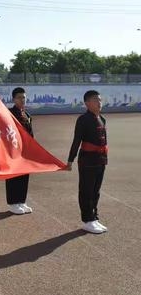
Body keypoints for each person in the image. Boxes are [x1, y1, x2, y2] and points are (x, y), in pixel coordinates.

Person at [66, 90, 108, 234]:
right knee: (86, 191)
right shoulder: (83, 120)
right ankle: (87, 220)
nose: (99, 103)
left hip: (101, 160)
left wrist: (105, 159)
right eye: (96, 100)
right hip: (87, 161)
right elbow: (76, 141)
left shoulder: (102, 118)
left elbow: (104, 141)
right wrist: (70, 160)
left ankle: (94, 217)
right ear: (87, 103)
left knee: (96, 191)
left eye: (100, 100)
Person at [5, 87, 34, 215]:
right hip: (14, 151)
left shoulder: (27, 115)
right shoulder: (9, 113)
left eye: (23, 97)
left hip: (26, 152)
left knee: (24, 176)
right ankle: (12, 203)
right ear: (13, 99)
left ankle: (21, 201)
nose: (22, 100)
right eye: (19, 97)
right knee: (13, 176)